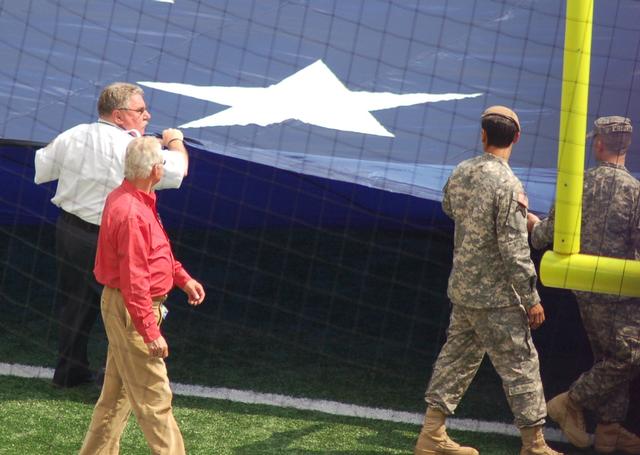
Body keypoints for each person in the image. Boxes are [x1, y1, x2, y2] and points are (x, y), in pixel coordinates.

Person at [414, 106, 561, 455]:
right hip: (497, 297)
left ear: (483, 136)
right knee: (521, 366)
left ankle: (431, 436)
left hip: (464, 289)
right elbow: (513, 248)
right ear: (517, 138)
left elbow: (450, 207)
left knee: (456, 360)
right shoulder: (509, 185)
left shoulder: (463, 171)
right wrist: (531, 298)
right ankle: (535, 445)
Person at [34, 82, 189, 388]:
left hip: (70, 231)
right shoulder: (135, 148)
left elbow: (43, 168)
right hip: (112, 240)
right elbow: (179, 170)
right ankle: (114, 382)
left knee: (75, 305)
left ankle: (69, 374)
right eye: (140, 110)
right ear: (119, 116)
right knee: (125, 309)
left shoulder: (74, 134)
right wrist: (175, 142)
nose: (147, 115)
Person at [78, 136, 205, 454]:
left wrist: (181, 277)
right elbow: (135, 280)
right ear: (154, 172)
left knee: (115, 400)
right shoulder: (133, 214)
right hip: (133, 312)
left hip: (126, 309)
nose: (164, 167)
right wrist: (150, 332)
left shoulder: (130, 199)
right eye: (162, 162)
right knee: (155, 401)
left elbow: (153, 253)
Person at [529, 116, 640, 454]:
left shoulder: (575, 184)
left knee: (612, 356)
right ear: (628, 146)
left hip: (583, 287)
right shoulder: (636, 191)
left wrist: (533, 224)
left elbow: (546, 235)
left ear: (598, 144)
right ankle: (570, 401)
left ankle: (608, 432)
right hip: (623, 289)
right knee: (629, 356)